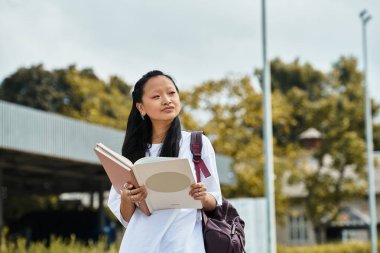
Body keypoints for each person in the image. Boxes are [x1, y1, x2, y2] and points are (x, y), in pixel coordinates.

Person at [107, 70, 222, 253]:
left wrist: (202, 196)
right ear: (141, 107)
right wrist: (127, 198)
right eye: (156, 96)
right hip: (139, 246)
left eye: (171, 93)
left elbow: (215, 200)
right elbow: (127, 218)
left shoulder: (197, 144)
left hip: (184, 246)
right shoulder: (132, 153)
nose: (167, 100)